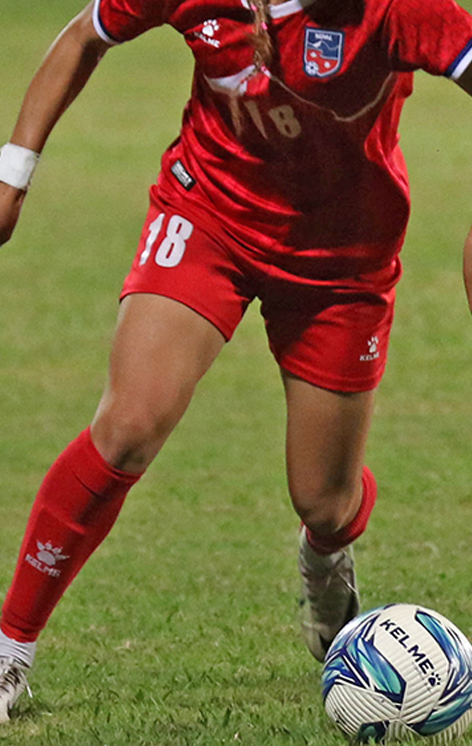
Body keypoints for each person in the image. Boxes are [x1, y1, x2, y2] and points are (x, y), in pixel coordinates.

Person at [1, 0, 472, 723]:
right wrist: (13, 173)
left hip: (341, 260)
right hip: (209, 217)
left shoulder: (398, 9)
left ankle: (325, 553)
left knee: (325, 501)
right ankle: (10, 649)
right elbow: (84, 36)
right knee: (128, 426)